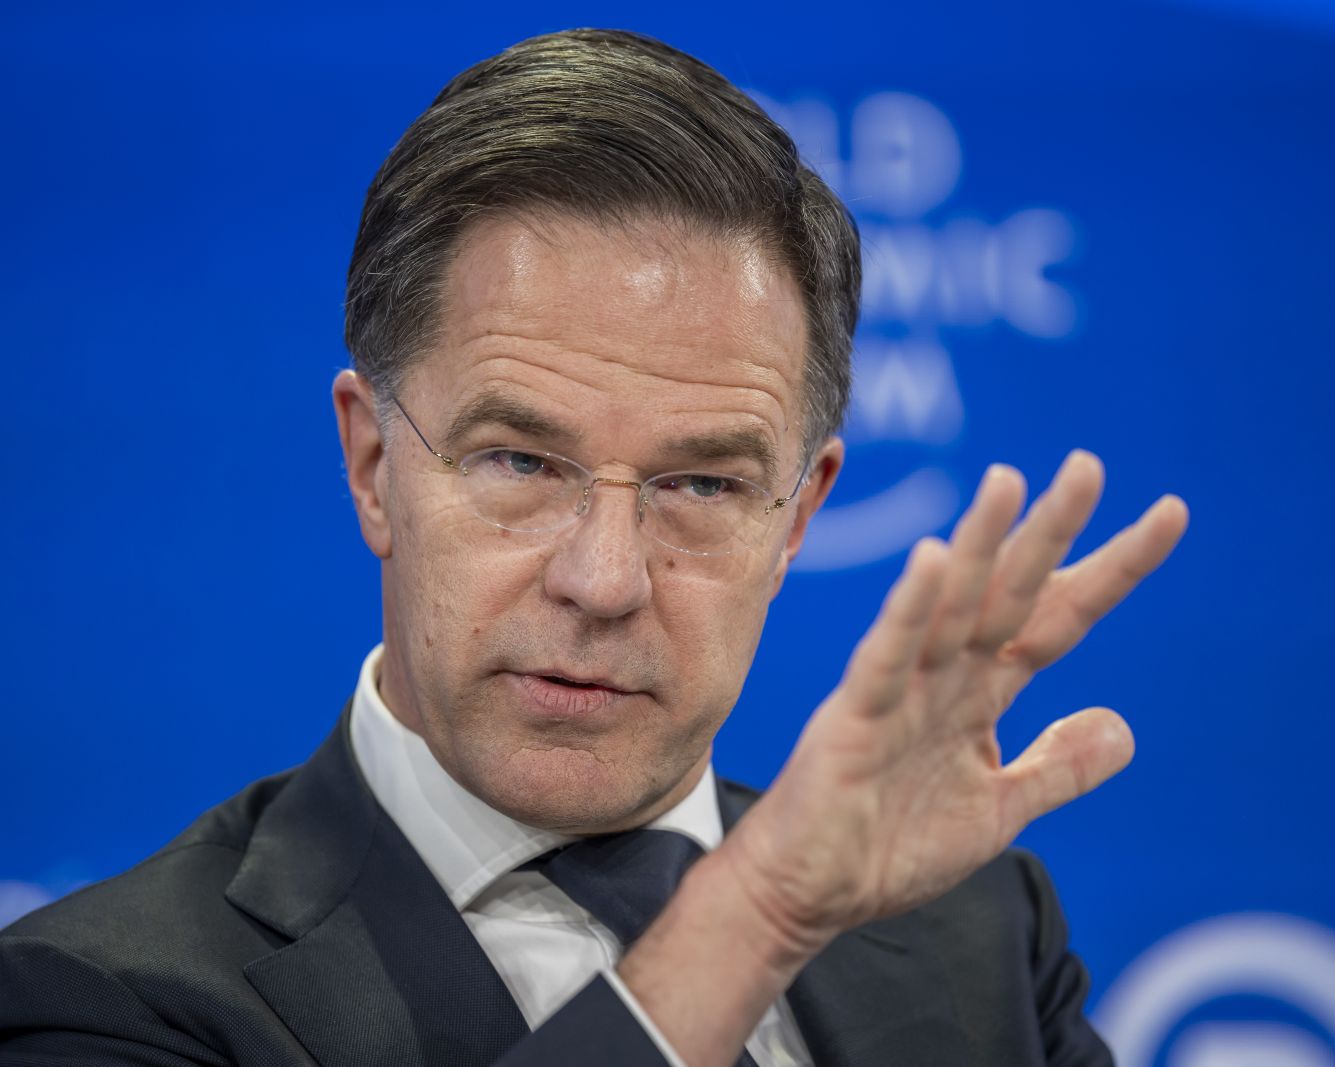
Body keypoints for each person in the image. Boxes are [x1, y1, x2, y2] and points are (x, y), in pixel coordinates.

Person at [0, 28, 1187, 1067]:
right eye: (520, 461)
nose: (604, 580)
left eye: (703, 483)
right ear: (371, 466)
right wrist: (751, 921)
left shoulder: (979, 932)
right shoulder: (101, 996)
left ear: (799, 516)